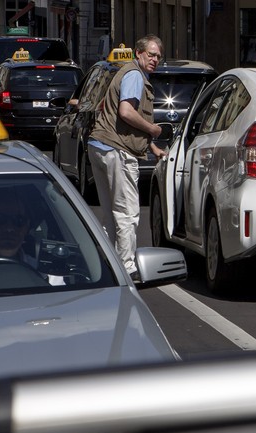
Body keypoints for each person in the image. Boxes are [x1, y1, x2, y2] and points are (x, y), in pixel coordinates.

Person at [87, 34, 166, 280]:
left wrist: (151, 146)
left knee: (110, 212)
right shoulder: (134, 76)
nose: (155, 60)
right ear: (138, 53)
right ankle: (127, 269)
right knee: (127, 213)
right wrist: (152, 129)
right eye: (151, 55)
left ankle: (110, 264)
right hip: (116, 151)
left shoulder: (127, 72)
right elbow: (126, 111)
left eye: (158, 57)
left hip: (100, 146)